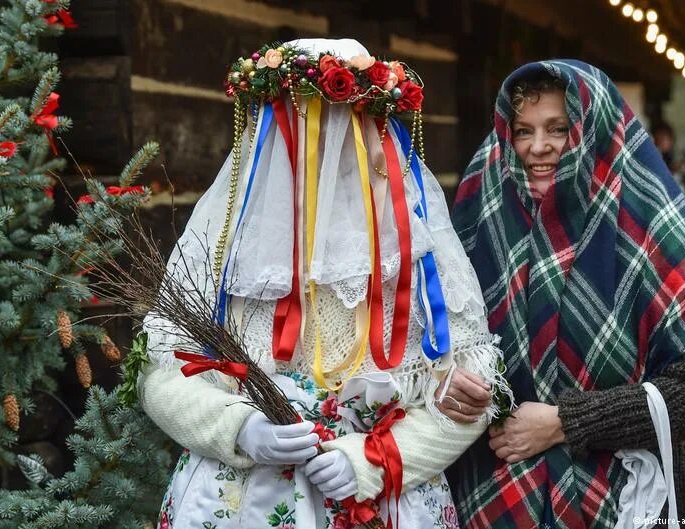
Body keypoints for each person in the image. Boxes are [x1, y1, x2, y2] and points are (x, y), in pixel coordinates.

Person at [138, 38, 509, 529]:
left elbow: (469, 399)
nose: (326, 159)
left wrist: (374, 461)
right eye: (304, 134)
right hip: (236, 503)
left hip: (381, 505)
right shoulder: (224, 240)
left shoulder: (418, 248)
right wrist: (239, 427)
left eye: (344, 134)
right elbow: (157, 375)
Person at [442, 60, 685, 529]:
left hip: (628, 496)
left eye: (558, 129)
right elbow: (439, 343)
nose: (538, 147)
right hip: (494, 491)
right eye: (523, 130)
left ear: (593, 127)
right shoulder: (482, 212)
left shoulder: (657, 227)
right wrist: (454, 384)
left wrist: (564, 422)